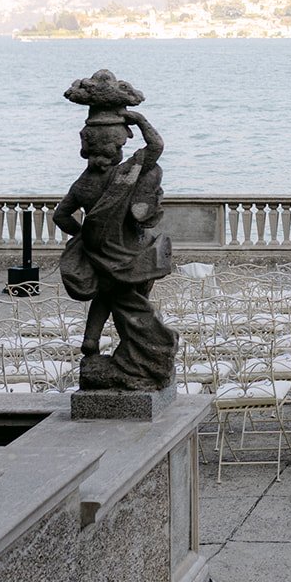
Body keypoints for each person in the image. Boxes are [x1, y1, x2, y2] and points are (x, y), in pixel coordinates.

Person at [54, 98, 176, 391]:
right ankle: (145, 358)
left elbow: (61, 215)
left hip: (98, 255)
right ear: (116, 146)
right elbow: (156, 147)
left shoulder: (81, 184)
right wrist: (140, 120)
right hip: (131, 256)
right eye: (121, 146)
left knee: (108, 295)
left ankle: (91, 339)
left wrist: (83, 234)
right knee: (131, 305)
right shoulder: (125, 174)